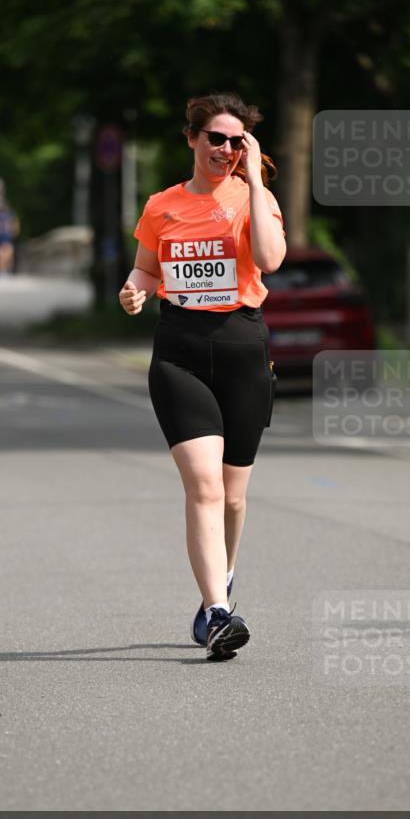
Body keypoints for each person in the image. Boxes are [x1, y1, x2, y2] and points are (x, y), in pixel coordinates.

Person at [119, 94, 285, 661]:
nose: (225, 149)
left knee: (234, 498)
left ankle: (224, 577)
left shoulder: (254, 199)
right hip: (180, 353)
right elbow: (146, 265)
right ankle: (217, 612)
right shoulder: (162, 205)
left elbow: (269, 259)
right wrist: (136, 288)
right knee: (205, 487)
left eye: (237, 141)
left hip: (242, 350)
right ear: (191, 139)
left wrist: (257, 184)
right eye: (215, 138)